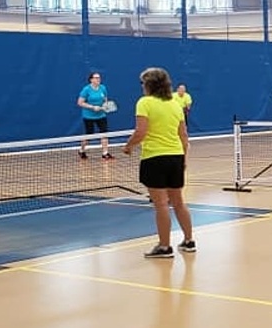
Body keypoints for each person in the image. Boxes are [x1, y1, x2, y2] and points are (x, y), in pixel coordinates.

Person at [122, 67, 194, 258]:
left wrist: (128, 146)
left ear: (148, 85)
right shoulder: (174, 104)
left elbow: (140, 132)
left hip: (155, 158)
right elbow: (184, 136)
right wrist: (184, 159)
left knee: (161, 204)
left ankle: (164, 247)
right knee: (178, 202)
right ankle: (189, 241)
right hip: (176, 157)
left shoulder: (144, 103)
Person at [77, 71, 114, 160]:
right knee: (89, 134)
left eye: (99, 78)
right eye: (96, 78)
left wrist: (105, 106)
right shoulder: (86, 90)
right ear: (91, 80)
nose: (98, 79)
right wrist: (92, 107)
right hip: (89, 116)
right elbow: (80, 102)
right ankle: (81, 150)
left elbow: (105, 99)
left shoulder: (103, 88)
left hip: (101, 115)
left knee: (104, 133)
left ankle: (105, 153)